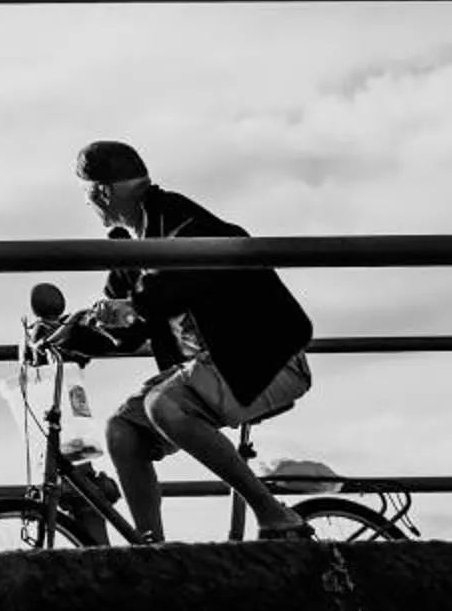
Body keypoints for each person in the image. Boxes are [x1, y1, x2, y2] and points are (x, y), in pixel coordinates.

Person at [73, 139, 315, 542]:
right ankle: (153, 551)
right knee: (121, 429)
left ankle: (274, 515)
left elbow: (184, 281)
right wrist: (69, 335)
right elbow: (127, 326)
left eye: (87, 196)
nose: (88, 206)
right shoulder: (127, 248)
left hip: (267, 361)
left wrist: (132, 306)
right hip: (205, 372)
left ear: (103, 191)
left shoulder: (181, 220)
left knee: (163, 404)